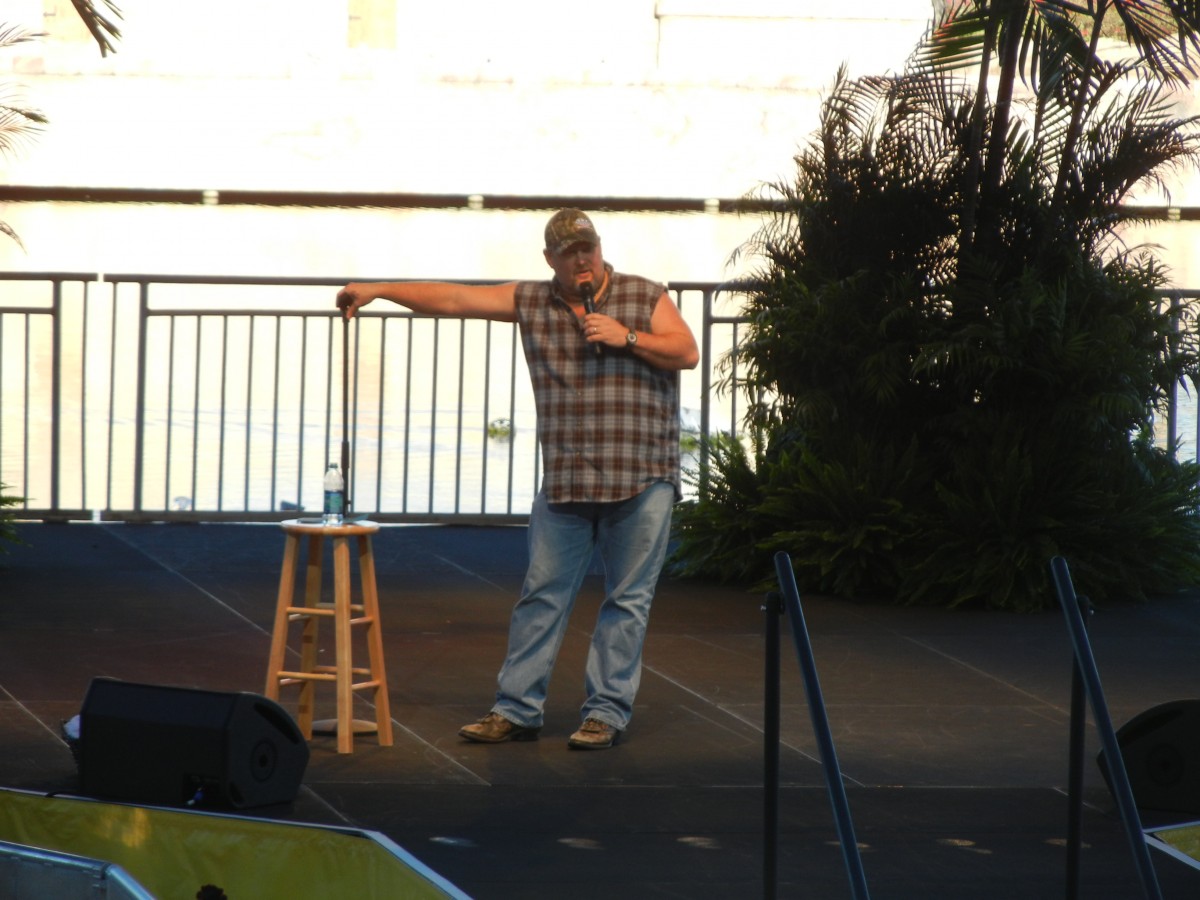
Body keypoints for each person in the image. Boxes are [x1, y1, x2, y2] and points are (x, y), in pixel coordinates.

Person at [336, 209, 699, 750]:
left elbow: (686, 350)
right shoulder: (533, 301)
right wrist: (378, 289)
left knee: (627, 600)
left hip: (641, 475)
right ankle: (517, 708)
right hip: (569, 478)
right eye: (570, 252)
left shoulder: (643, 295)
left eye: (589, 248)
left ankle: (605, 712)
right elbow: (457, 300)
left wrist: (626, 336)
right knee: (541, 594)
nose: (583, 259)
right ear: (550, 259)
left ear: (600, 249)